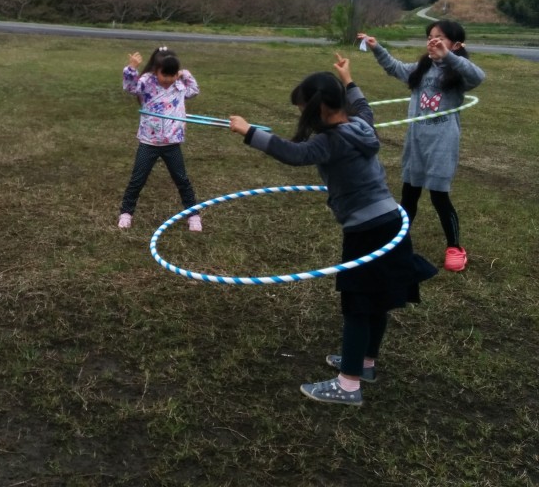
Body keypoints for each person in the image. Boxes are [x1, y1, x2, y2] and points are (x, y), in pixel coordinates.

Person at [228, 53, 436, 406]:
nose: (300, 117)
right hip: (388, 220)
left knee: (358, 304)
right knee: (377, 299)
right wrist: (349, 79)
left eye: (302, 111)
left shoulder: (330, 141)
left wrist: (249, 131)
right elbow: (363, 104)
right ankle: (365, 363)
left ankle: (348, 384)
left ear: (319, 110)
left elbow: (293, 154)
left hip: (366, 229)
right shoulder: (362, 126)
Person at [357, 20, 485, 272]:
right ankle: (396, 242)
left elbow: (478, 77)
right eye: (429, 36)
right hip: (416, 140)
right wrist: (376, 47)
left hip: (442, 142)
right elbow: (394, 68)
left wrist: (449, 56)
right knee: (409, 195)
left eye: (439, 37)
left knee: (439, 196)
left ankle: (455, 247)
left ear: (456, 45)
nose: (432, 41)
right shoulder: (422, 68)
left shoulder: (458, 72)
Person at [118, 46, 203, 232]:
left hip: (172, 143)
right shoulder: (147, 83)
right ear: (155, 71)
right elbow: (130, 87)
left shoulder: (180, 85)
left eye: (173, 75)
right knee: (137, 179)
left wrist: (184, 74)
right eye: (165, 75)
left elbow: (194, 91)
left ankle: (193, 214)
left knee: (182, 179)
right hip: (149, 142)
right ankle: (126, 212)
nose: (169, 79)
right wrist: (131, 68)